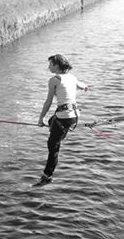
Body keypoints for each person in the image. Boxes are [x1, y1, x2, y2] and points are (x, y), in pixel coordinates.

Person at [35, 54, 88, 186]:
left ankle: (47, 176)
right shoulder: (71, 77)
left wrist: (40, 118)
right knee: (52, 121)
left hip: (64, 118)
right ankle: (56, 130)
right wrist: (85, 87)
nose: (49, 67)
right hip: (74, 117)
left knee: (52, 146)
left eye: (51, 65)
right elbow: (81, 85)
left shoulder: (54, 80)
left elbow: (48, 102)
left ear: (57, 65)